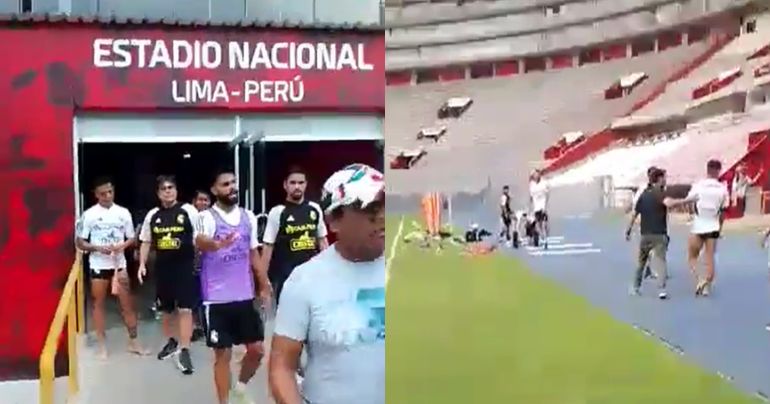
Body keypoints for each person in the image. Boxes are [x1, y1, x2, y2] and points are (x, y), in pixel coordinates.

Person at [269, 163, 385, 404]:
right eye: (370, 209)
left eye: (386, 205)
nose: (382, 217)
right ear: (334, 220)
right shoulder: (304, 281)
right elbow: (282, 368)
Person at [196, 169, 272, 404]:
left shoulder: (248, 216)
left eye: (234, 183)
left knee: (257, 350)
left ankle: (240, 387)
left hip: (244, 296)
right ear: (215, 190)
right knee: (223, 354)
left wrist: (264, 284)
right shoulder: (206, 217)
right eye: (226, 184)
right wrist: (217, 244)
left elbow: (253, 253)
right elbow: (200, 242)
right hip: (216, 298)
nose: (232, 188)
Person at [76, 177, 147, 359]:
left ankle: (134, 341)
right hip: (98, 265)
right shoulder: (89, 214)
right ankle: (101, 345)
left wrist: (123, 246)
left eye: (110, 192)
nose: (107, 196)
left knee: (127, 305)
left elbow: (132, 238)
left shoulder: (123, 212)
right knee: (98, 304)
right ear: (96, 195)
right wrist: (97, 248)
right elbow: (80, 242)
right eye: (102, 193)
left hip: (119, 265)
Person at [137, 176, 200, 375]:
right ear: (158, 193)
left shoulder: (188, 211)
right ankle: (172, 342)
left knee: (185, 309)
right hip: (163, 269)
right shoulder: (153, 215)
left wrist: (200, 262)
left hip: (185, 267)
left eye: (171, 187)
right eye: (163, 189)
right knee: (166, 310)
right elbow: (146, 241)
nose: (168, 191)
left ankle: (184, 349)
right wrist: (141, 265)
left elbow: (199, 238)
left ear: (176, 190)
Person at [261, 166, 328, 305]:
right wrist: (262, 281)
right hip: (287, 279)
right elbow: (267, 248)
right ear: (285, 185)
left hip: (313, 278)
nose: (297, 186)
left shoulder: (315, 209)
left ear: (306, 184)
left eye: (301, 183)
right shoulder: (278, 212)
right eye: (293, 183)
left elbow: (323, 242)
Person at [665, 159, 729, 296]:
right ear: (719, 171)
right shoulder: (723, 189)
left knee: (692, 256)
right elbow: (723, 212)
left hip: (699, 225)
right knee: (710, 258)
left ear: (707, 170)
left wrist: (673, 202)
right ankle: (706, 287)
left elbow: (688, 200)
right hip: (713, 226)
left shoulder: (699, 186)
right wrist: (720, 229)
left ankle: (701, 278)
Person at [625, 167, 669, 299]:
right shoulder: (662, 195)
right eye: (664, 178)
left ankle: (635, 287)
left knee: (641, 262)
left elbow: (634, 214)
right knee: (661, 261)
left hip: (645, 234)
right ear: (659, 179)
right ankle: (661, 289)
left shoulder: (644, 195)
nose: (666, 180)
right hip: (659, 233)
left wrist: (628, 229)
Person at [190, 190, 211, 341]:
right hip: (191, 262)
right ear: (194, 202)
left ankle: (208, 327)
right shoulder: (189, 218)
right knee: (193, 298)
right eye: (200, 200)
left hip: (209, 264)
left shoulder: (212, 219)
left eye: (206, 200)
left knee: (207, 297)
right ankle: (196, 326)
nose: (203, 203)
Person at [529, 170, 550, 249]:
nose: (536, 176)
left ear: (539, 175)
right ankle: (543, 238)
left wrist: (545, 206)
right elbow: (531, 197)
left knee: (544, 225)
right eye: (534, 175)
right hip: (536, 208)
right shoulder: (531, 185)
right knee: (538, 226)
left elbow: (547, 194)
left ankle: (545, 241)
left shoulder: (544, 183)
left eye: (537, 174)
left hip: (542, 207)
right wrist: (530, 208)